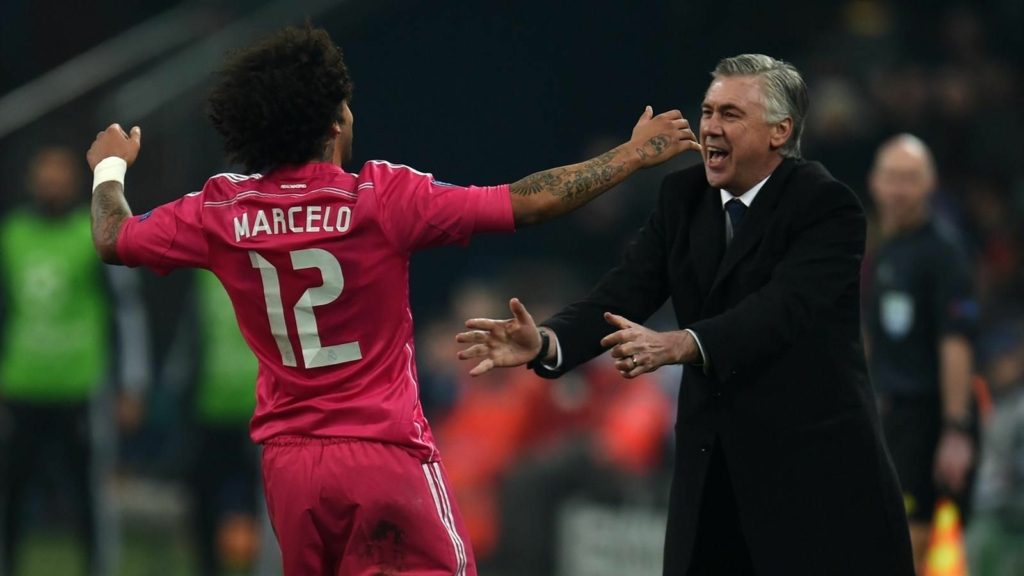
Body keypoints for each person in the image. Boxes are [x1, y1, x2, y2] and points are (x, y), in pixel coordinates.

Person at [84, 25, 699, 576]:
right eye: (346, 106)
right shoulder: (381, 198)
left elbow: (113, 238)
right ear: (333, 124)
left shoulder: (220, 209)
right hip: (382, 454)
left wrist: (110, 167)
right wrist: (631, 155)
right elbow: (529, 200)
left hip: (291, 467)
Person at [457, 54, 915, 575]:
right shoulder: (683, 197)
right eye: (708, 111)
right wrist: (547, 341)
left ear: (780, 131)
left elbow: (781, 311)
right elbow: (624, 291)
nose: (711, 127)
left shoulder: (827, 207)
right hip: (714, 478)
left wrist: (682, 343)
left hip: (812, 477)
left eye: (731, 114)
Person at [0, 147, 150, 576]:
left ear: (74, 182)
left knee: (90, 497)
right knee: (10, 495)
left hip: (81, 389)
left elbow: (127, 313)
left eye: (60, 174)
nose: (52, 182)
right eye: (45, 173)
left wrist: (132, 383)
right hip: (19, 388)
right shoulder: (11, 235)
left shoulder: (97, 233)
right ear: (31, 179)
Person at [863, 134, 979, 574]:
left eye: (909, 178)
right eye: (891, 177)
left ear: (930, 185)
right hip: (893, 413)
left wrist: (955, 429)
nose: (898, 189)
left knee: (911, 536)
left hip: (927, 415)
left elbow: (956, 343)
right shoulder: (888, 248)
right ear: (874, 183)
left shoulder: (944, 253)